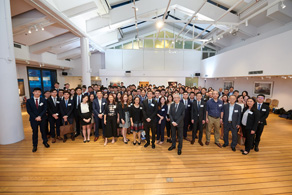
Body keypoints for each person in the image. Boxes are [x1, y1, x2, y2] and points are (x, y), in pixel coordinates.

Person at [26, 88, 50, 152]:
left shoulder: (44, 100)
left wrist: (39, 116)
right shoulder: (29, 101)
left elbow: (45, 109)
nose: (37, 93)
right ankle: (34, 145)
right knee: (35, 132)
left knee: (43, 131)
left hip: (42, 118)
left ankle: (45, 142)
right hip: (33, 119)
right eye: (35, 92)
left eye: (38, 92)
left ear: (40, 93)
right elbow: (29, 111)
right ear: (33, 92)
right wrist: (35, 117)